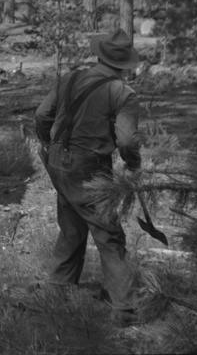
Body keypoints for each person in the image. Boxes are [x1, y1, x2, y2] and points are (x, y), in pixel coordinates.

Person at [34, 29, 142, 317]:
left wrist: (47, 141)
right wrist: (133, 165)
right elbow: (128, 140)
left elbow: (42, 115)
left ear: (99, 55)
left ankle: (58, 290)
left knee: (72, 225)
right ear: (124, 64)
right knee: (108, 234)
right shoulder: (123, 93)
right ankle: (125, 308)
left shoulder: (70, 78)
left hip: (58, 162)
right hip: (90, 168)